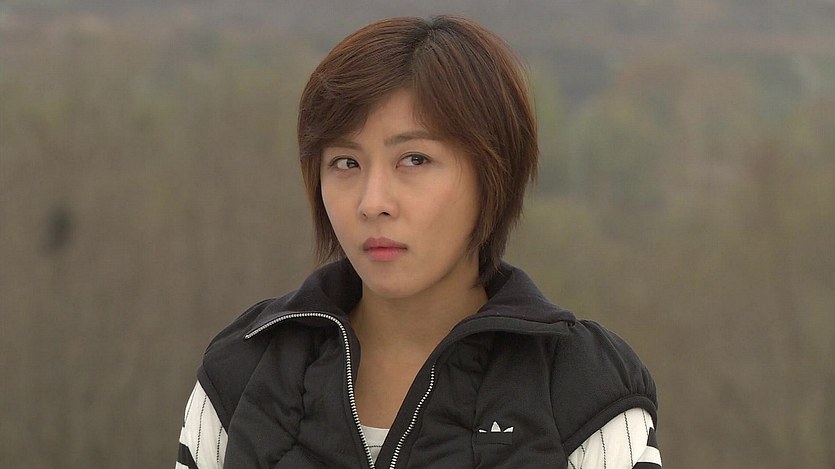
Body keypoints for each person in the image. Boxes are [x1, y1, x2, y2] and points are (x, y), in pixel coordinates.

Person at [176, 15, 661, 469]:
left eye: (414, 160)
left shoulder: (584, 390)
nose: (373, 203)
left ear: (493, 173)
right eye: (346, 163)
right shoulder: (243, 371)